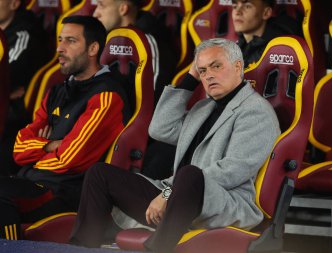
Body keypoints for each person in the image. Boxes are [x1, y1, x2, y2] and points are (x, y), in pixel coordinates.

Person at [69, 38, 280, 253]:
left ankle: (158, 249)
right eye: (203, 70)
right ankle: (81, 247)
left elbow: (234, 169)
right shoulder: (203, 107)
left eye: (216, 66)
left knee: (190, 174)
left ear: (238, 66)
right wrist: (190, 79)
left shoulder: (256, 110)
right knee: (99, 174)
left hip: (222, 203)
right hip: (176, 198)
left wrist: (169, 193)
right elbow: (160, 129)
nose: (208, 75)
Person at [0, 15, 131, 240]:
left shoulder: (107, 95)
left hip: (64, 193)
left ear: (93, 48)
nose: (60, 48)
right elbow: (18, 148)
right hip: (30, 182)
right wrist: (50, 145)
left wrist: (38, 151)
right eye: (60, 40)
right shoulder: (56, 91)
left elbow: (71, 157)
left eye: (70, 41)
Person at [93, 0, 177, 180]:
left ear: (123, 8)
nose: (95, 13)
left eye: (101, 6)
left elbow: (152, 105)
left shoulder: (150, 41)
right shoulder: (104, 39)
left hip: (142, 135)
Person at [0, 0, 50, 176]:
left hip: (15, 118)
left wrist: (5, 89)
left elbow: (7, 75)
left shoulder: (25, 34)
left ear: (14, 4)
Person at [232, 0, 301, 67]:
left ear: (266, 13)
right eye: (235, 6)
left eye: (247, 6)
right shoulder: (237, 46)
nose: (237, 12)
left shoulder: (279, 50)